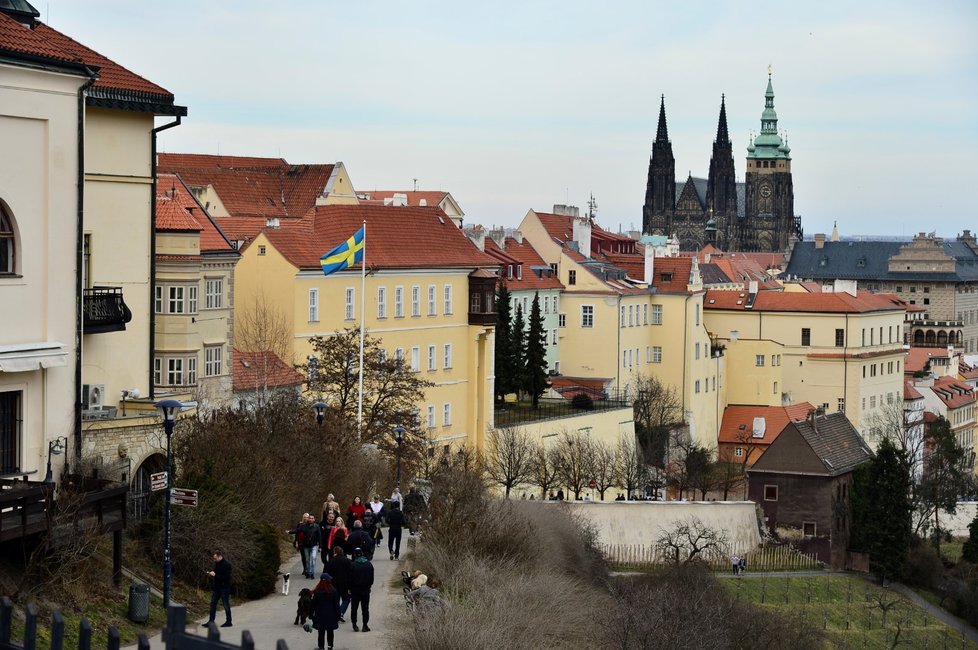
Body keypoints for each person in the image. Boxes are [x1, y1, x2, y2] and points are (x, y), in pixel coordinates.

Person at [310, 572, 340, 650]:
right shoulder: (333, 591)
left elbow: (313, 604)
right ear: (328, 581)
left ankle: (321, 647)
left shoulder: (317, 591)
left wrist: (311, 615)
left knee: (321, 632)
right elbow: (336, 604)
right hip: (331, 615)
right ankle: (330, 646)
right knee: (330, 632)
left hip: (320, 615)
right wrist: (338, 615)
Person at [204, 549, 232, 628]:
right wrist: (211, 574)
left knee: (226, 605)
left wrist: (215, 575)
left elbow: (226, 578)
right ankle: (211, 621)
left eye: (215, 558)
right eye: (214, 558)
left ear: (220, 556)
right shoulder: (217, 564)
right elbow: (217, 575)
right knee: (212, 604)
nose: (214, 560)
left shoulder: (227, 565)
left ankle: (229, 621)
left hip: (224, 588)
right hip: (217, 588)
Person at [349, 547, 374, 632]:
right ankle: (365, 625)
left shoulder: (352, 565)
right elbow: (371, 578)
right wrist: (369, 586)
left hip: (355, 589)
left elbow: (349, 578)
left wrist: (349, 588)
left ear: (355, 555)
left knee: (354, 608)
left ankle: (354, 624)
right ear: (362, 553)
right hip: (365, 589)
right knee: (365, 608)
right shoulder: (368, 564)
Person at [325, 546, 353, 622]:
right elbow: (351, 574)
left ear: (335, 553)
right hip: (345, 584)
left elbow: (326, 573)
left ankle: (335, 614)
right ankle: (341, 612)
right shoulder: (348, 561)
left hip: (333, 584)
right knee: (346, 599)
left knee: (335, 600)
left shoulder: (331, 562)